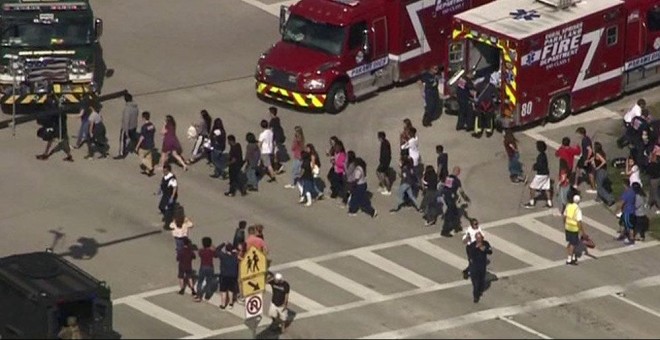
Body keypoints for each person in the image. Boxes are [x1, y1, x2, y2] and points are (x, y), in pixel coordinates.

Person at [441, 166, 469, 237]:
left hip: (446, 197)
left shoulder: (448, 178)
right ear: (457, 172)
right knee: (450, 214)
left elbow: (447, 188)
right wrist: (465, 198)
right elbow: (461, 191)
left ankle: (457, 226)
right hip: (450, 198)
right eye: (458, 172)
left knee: (455, 212)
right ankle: (445, 231)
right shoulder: (456, 180)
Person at [524, 141, 553, 209]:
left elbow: (539, 166)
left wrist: (534, 166)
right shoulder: (544, 155)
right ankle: (549, 203)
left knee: (532, 187)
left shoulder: (540, 156)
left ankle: (531, 202)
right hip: (546, 173)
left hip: (540, 174)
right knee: (546, 188)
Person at [115, 93, 139, 159]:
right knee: (133, 138)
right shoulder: (135, 107)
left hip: (127, 127)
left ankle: (122, 153)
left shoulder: (127, 109)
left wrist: (126, 131)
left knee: (123, 140)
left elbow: (126, 120)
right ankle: (137, 148)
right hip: (134, 126)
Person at [469, 232, 492, 303]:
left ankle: (479, 291)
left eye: (480, 238)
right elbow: (470, 254)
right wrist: (476, 248)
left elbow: (490, 252)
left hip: (482, 266)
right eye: (478, 238)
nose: (479, 239)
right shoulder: (472, 245)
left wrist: (484, 249)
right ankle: (476, 296)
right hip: (475, 266)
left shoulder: (485, 243)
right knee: (475, 283)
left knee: (481, 281)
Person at [564, 194, 585, 265]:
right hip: (574, 229)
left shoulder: (568, 206)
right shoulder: (578, 209)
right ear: (579, 201)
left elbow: (564, 216)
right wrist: (582, 231)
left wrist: (565, 224)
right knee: (573, 244)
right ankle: (569, 259)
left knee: (570, 242)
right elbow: (579, 222)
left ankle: (572, 256)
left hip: (567, 227)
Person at [216, 242, 239, 309]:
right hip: (233, 276)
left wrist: (223, 243)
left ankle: (223, 305)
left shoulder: (223, 256)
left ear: (226, 250)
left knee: (223, 290)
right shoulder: (235, 257)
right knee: (231, 290)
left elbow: (217, 250)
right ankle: (231, 303)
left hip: (224, 276)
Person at [593, 142, 615, 206]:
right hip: (604, 171)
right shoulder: (602, 153)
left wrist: (598, 167)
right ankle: (598, 198)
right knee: (601, 185)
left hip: (600, 172)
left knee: (600, 187)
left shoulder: (597, 154)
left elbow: (604, 161)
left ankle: (610, 199)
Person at [574, 127, 596, 193]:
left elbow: (590, 150)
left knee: (577, 169)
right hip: (586, 158)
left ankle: (575, 184)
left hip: (585, 158)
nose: (577, 135)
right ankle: (593, 187)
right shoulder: (587, 138)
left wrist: (586, 159)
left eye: (578, 134)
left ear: (581, 134)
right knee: (590, 173)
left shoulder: (584, 140)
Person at [134, 111, 156, 177]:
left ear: (143, 118)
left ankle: (150, 168)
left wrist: (137, 146)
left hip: (144, 145)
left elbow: (142, 137)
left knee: (141, 158)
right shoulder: (152, 125)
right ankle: (148, 172)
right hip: (151, 144)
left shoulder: (144, 127)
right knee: (149, 158)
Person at [194, 236, 215, 302]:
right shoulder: (211, 252)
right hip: (210, 267)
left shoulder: (201, 251)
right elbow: (215, 251)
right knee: (209, 282)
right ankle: (207, 296)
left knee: (200, 281)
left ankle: (199, 296)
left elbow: (199, 252)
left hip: (203, 267)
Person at [158, 163, 178, 228]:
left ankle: (170, 220)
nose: (164, 172)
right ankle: (169, 216)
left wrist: (172, 197)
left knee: (168, 208)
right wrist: (160, 190)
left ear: (168, 170)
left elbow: (175, 188)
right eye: (163, 171)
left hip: (170, 195)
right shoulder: (165, 176)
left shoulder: (172, 178)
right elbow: (162, 183)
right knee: (161, 207)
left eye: (165, 171)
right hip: (165, 194)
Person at [269, 107, 286, 174]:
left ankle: (277, 167)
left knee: (275, 154)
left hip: (275, 139)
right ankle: (276, 166)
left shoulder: (272, 121)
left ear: (272, 113)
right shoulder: (277, 119)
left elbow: (271, 130)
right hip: (278, 138)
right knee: (274, 153)